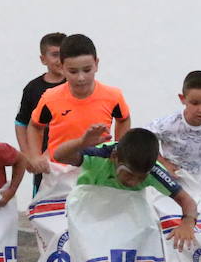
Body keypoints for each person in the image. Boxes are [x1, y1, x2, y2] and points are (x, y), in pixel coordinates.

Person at [54, 126, 198, 250]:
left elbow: (187, 201)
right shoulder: (101, 155)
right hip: (88, 214)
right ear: (115, 157)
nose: (134, 182)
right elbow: (59, 156)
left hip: (125, 219)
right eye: (128, 174)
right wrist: (81, 143)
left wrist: (187, 222)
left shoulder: (154, 171)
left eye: (141, 178)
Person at [27, 33, 131, 170]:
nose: (81, 78)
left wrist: (119, 150)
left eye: (87, 70)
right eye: (73, 72)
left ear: (96, 64)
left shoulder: (113, 96)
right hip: (58, 170)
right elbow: (35, 126)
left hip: (97, 168)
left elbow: (123, 119)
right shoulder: (50, 98)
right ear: (62, 68)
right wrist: (35, 156)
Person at [146, 69, 201, 175]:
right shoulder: (168, 124)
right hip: (178, 182)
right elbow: (142, 139)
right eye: (195, 103)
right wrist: (163, 163)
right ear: (182, 99)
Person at [14, 32, 66, 191]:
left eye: (64, 54)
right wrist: (28, 156)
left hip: (70, 160)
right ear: (43, 59)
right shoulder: (33, 89)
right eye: (55, 55)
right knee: (43, 207)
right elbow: (21, 123)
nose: (60, 60)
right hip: (43, 166)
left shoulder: (74, 87)